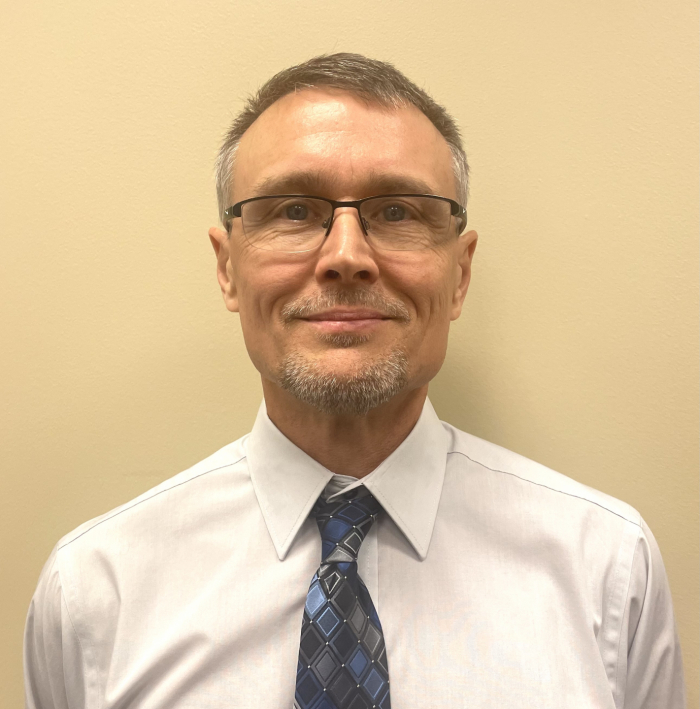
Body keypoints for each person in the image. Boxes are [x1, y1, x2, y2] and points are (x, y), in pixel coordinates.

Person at [24, 53, 685, 709]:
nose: (345, 256)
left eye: (398, 211)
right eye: (292, 211)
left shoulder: (606, 568)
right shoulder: (95, 591)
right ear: (228, 268)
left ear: (459, 272)